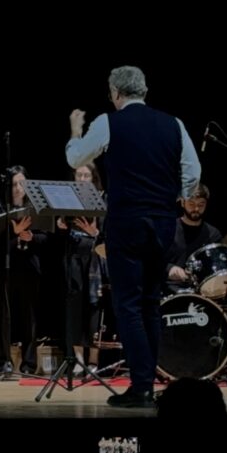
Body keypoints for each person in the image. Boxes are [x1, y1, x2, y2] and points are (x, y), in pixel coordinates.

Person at [66, 65, 200, 407]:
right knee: (150, 305)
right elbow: (193, 171)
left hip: (127, 222)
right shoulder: (174, 124)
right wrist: (176, 195)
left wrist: (75, 129)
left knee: (128, 306)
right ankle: (146, 384)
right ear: (144, 90)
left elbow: (75, 157)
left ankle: (141, 388)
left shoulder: (109, 122)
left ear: (115, 93)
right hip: (163, 222)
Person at [0, 165, 48, 374]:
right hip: (8, 267)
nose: (18, 188)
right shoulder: (1, 206)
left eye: (22, 184)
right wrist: (14, 232)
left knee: (30, 317)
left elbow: (46, 236)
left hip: (30, 267)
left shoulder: (35, 206)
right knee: (6, 316)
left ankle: (28, 363)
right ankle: (4, 360)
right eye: (14, 184)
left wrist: (32, 237)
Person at [55, 161, 104, 375]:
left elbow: (109, 235)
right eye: (79, 176)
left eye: (86, 176)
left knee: (94, 307)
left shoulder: (103, 198)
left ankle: (93, 361)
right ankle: (78, 359)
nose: (82, 180)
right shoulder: (69, 198)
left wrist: (94, 232)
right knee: (74, 307)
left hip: (94, 257)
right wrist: (61, 226)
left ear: (94, 178)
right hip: (73, 255)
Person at [166, 185, 222, 293]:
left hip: (203, 292)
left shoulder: (213, 234)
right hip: (170, 290)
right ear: (182, 203)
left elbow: (217, 269)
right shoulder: (169, 229)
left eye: (201, 205)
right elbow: (152, 259)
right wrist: (169, 269)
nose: (196, 209)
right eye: (191, 204)